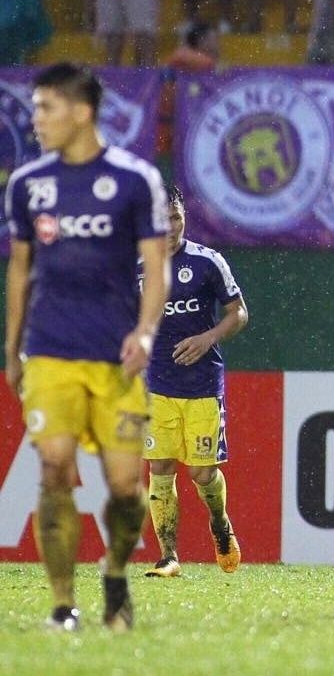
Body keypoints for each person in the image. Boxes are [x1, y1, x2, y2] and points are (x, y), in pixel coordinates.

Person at [5, 63, 171, 631]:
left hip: (114, 358)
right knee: (53, 469)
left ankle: (116, 571)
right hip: (49, 351)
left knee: (127, 490)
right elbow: (21, 267)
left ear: (82, 112)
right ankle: (62, 605)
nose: (37, 120)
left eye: (47, 108)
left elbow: (156, 264)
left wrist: (146, 331)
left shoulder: (134, 180)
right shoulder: (28, 184)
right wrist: (12, 347)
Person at [141, 188, 248, 579]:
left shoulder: (207, 263)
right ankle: (168, 555)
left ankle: (220, 523)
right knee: (160, 467)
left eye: (175, 217)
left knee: (202, 474)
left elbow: (239, 314)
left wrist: (208, 338)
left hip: (202, 387)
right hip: (156, 387)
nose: (170, 227)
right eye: (161, 219)